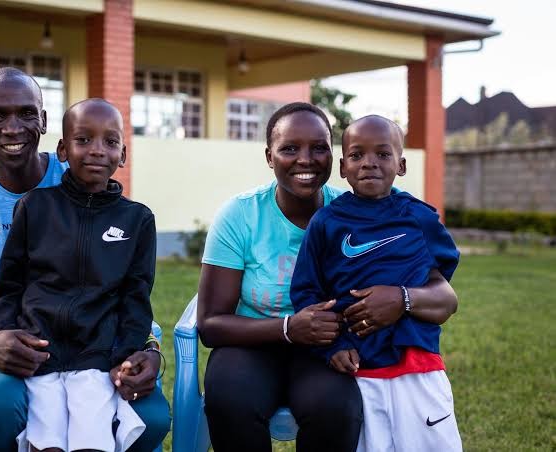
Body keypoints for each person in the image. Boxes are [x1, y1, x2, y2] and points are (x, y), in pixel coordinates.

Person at [0, 68, 170, 452]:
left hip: (94, 341)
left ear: (43, 121)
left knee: (151, 417)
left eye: (26, 113)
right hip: (6, 335)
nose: (12, 128)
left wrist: (149, 349)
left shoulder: (80, 170)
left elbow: (127, 283)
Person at [197, 102, 459, 452]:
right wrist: (289, 327)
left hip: (325, 347)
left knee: (335, 408)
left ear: (333, 159)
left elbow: (441, 290)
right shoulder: (240, 215)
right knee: (231, 400)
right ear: (269, 156)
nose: (305, 159)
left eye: (318, 147)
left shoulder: (358, 210)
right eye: (289, 148)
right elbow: (211, 324)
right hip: (253, 343)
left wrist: (401, 297)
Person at [0, 98, 155, 451]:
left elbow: (136, 297)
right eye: (83, 140)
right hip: (39, 354)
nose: (97, 151)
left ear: (123, 155)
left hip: (96, 359)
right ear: (63, 149)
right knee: (44, 444)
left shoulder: (138, 220)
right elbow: (9, 286)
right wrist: (13, 336)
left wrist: (124, 356)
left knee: (91, 444)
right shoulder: (35, 207)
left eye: (110, 142)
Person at [290, 115, 462, 451]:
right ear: (342, 167)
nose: (369, 163)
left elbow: (439, 283)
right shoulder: (326, 223)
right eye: (357, 155)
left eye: (382, 154)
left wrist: (403, 298)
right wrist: (333, 347)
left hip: (417, 365)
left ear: (401, 164)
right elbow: (306, 291)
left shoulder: (420, 218)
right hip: (359, 369)